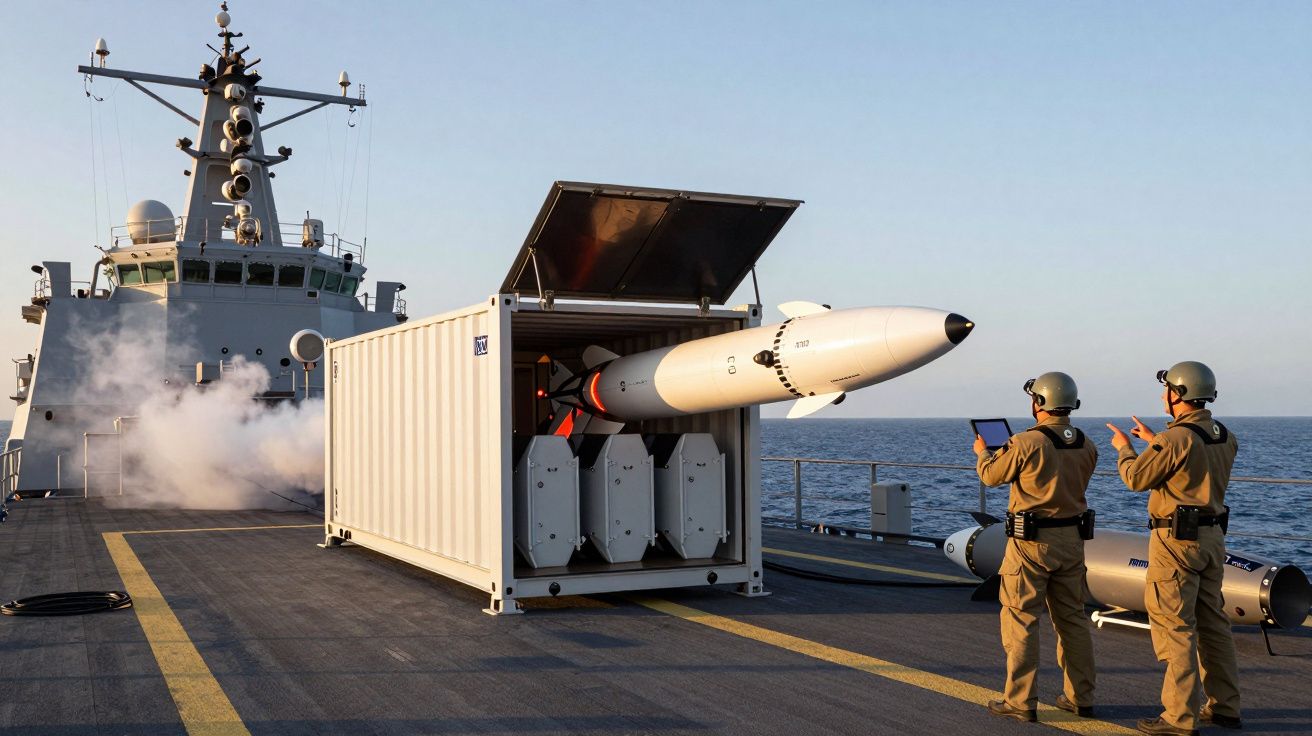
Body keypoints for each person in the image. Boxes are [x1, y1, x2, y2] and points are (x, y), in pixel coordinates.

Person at [1107, 361, 1241, 735]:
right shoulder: (1222, 434)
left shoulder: (1176, 439)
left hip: (1175, 542)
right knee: (1214, 624)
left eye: (1167, 389)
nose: (1163, 395)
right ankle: (1226, 707)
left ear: (1178, 393)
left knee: (1176, 627)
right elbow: (1193, 464)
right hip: (1212, 539)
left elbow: (1136, 478)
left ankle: (1179, 718)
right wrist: (1156, 441)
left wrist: (1126, 448)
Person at [975, 372, 1098, 722]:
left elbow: (992, 476)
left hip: (1031, 544)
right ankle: (1081, 697)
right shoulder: (1087, 444)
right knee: (1072, 620)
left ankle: (1020, 701)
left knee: (1021, 619)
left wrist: (983, 453)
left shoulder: (1027, 442)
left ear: (1039, 402)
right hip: (1072, 543)